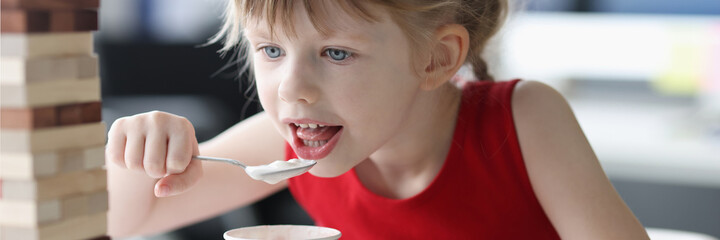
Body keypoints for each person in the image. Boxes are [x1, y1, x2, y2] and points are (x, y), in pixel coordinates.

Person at [106, 0, 650, 239]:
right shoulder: (288, 148)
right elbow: (130, 220)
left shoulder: (524, 119)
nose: (292, 88)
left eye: (337, 53)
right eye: (271, 51)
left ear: (435, 59)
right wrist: (138, 151)